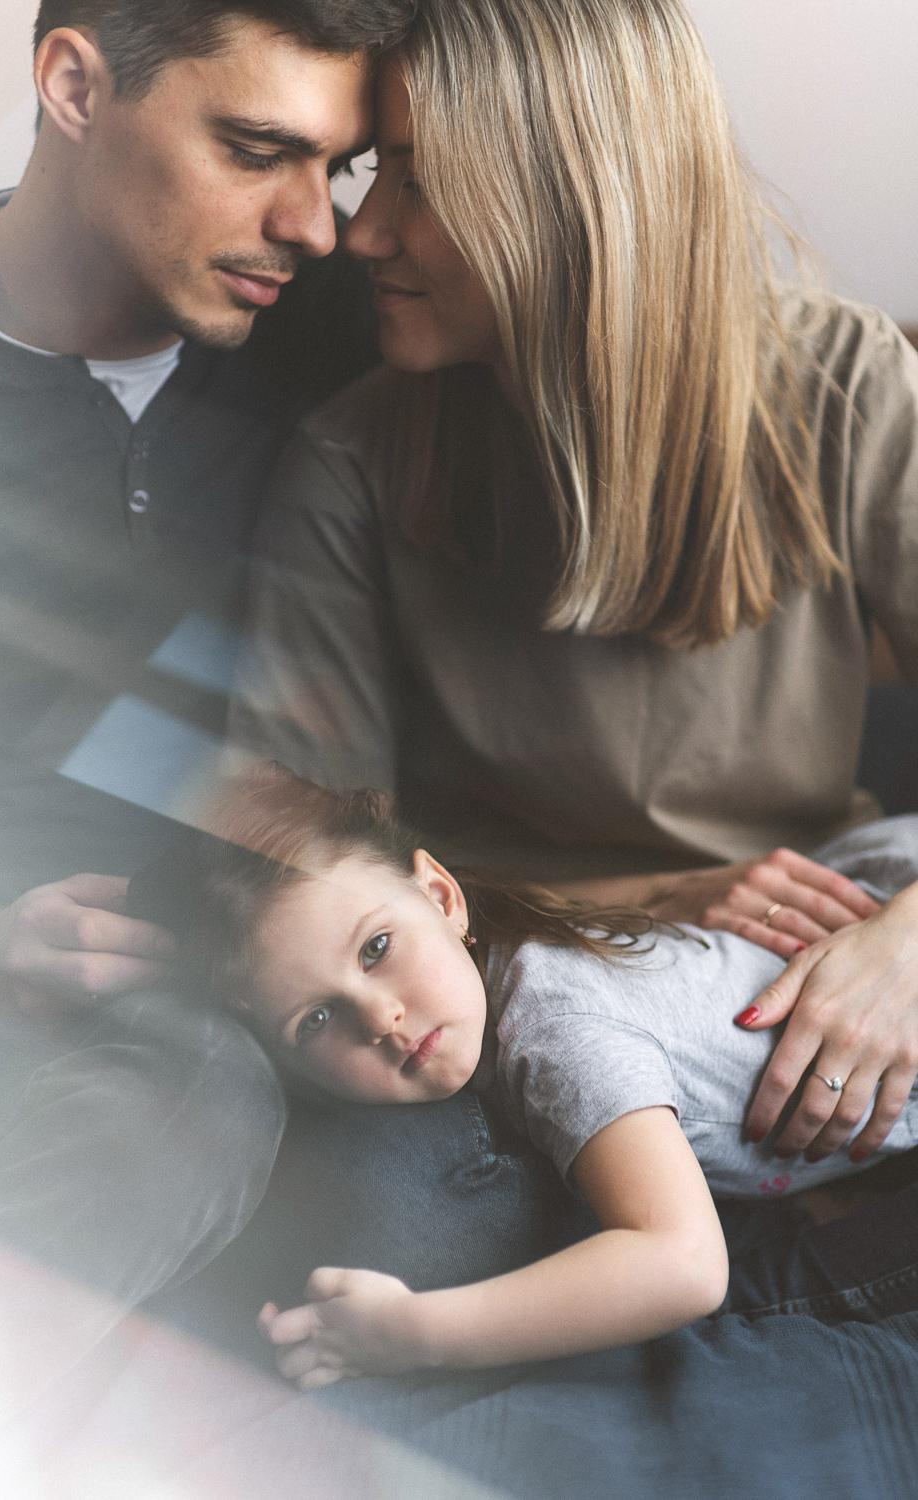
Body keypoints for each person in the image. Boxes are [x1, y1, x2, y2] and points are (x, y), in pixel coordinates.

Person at [230, 0, 918, 1178]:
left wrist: (904, 951)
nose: (359, 234)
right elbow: (305, 886)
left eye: (414, 180)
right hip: (519, 977)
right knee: (385, 1212)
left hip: (816, 940)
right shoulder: (348, 465)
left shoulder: (844, 381)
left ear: (569, 193)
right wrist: (658, 891)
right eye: (369, 175)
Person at [0, 0, 415, 1426]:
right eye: (257, 148)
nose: (314, 224)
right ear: (74, 83)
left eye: (339, 166)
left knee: (200, 1092)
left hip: (216, 997)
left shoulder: (341, 334)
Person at [127, 767, 918, 1388]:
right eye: (318, 1021)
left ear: (441, 895)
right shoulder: (498, 961)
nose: (382, 1021)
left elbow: (683, 1264)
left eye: (375, 950)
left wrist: (412, 1334)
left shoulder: (555, 1031)